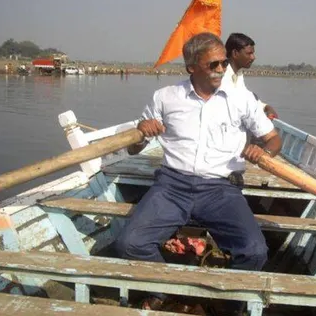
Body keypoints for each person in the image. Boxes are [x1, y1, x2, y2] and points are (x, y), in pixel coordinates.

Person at [115, 32, 282, 312]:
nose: (221, 70)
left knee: (254, 252)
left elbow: (274, 139)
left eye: (223, 64)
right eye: (213, 65)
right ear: (191, 67)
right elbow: (134, 149)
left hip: (221, 189)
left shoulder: (241, 99)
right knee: (130, 244)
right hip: (171, 186)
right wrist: (142, 134)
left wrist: (263, 152)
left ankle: (225, 302)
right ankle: (165, 288)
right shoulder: (165, 97)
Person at [224, 33, 278, 119]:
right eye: (249, 53)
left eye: (253, 53)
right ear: (235, 53)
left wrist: (266, 107)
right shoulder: (221, 75)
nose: (253, 57)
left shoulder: (238, 74)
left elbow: (246, 96)